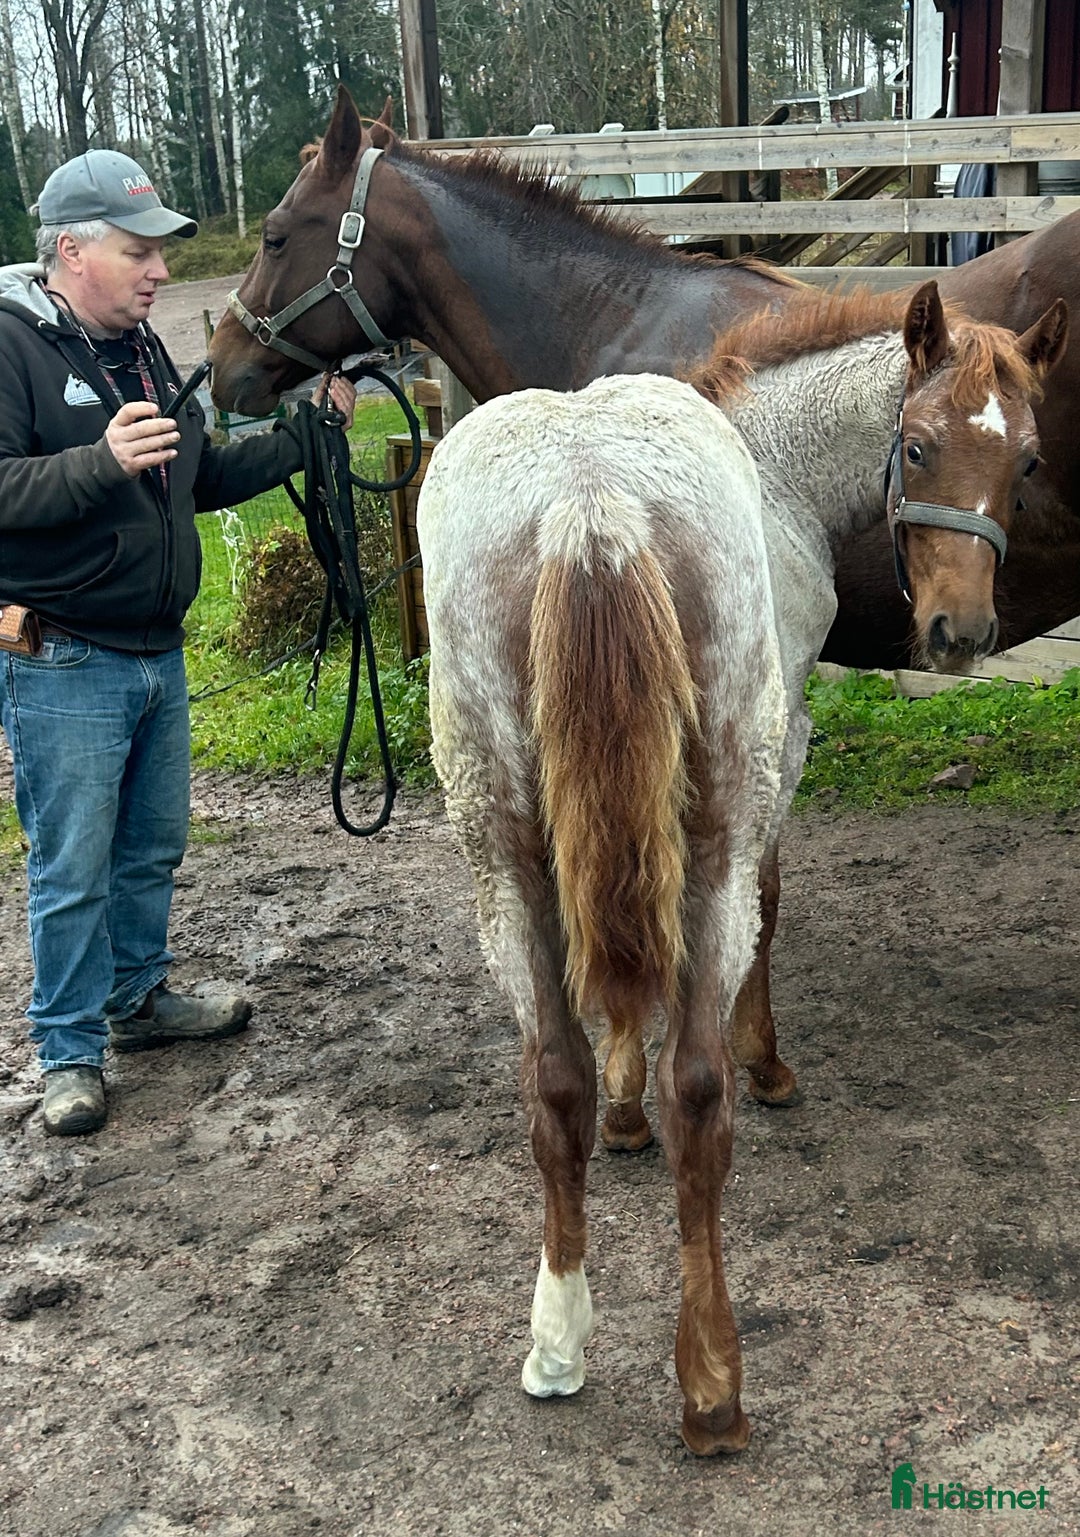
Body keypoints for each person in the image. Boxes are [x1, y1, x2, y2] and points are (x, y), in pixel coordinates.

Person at [0, 149, 355, 1137]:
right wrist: (96, 461)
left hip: (158, 650)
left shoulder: (147, 351)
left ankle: (138, 1001)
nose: (158, 270)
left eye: (160, 253)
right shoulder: (11, 347)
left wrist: (304, 442)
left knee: (150, 848)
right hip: (63, 654)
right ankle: (68, 1053)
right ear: (71, 250)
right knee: (72, 865)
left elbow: (194, 479)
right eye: (137, 250)